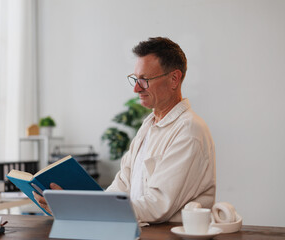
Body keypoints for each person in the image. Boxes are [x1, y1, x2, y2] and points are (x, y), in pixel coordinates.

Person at [34, 37, 216, 224]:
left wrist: (86, 209)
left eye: (145, 80)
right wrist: (74, 205)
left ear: (174, 79)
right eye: (136, 79)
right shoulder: (148, 125)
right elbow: (120, 187)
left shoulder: (189, 130)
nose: (136, 88)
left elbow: (157, 206)